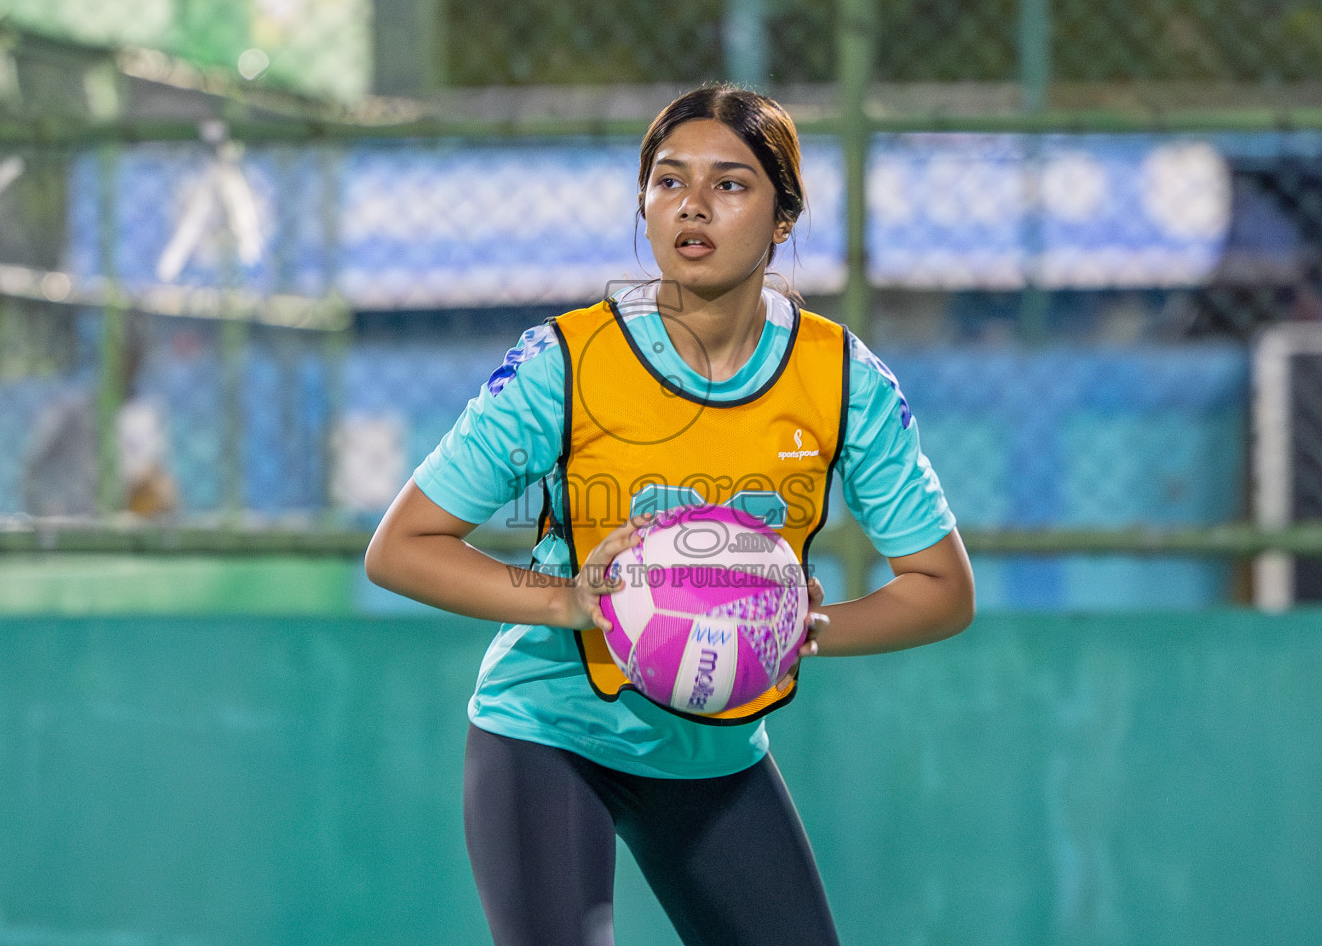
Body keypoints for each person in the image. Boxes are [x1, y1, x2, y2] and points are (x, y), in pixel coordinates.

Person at [365, 84, 974, 946]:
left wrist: (804, 625)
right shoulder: (566, 362)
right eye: (666, 181)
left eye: (729, 184)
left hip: (715, 755)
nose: (691, 204)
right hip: (549, 731)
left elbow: (941, 588)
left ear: (784, 217)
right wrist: (567, 601)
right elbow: (400, 548)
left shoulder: (843, 380)